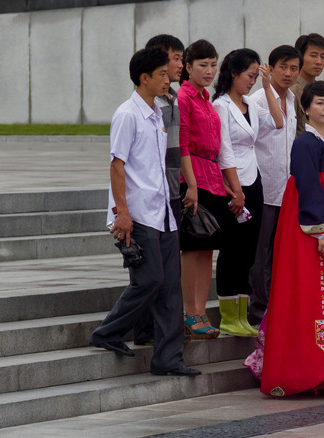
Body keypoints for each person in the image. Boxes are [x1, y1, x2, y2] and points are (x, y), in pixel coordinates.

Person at [245, 81, 324, 396]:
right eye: (319, 103)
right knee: (314, 295)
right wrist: (323, 232)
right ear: (306, 107)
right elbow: (308, 189)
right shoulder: (306, 143)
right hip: (313, 233)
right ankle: (309, 370)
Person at [89, 47, 199, 377]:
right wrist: (122, 213)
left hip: (163, 211)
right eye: (163, 74)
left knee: (170, 289)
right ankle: (107, 331)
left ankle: (168, 359)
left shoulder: (157, 114)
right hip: (138, 215)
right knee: (150, 280)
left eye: (169, 74)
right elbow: (117, 166)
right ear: (145, 78)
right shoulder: (128, 114)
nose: (169, 79)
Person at [211, 48, 284, 336]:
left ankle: (242, 316)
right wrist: (236, 191)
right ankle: (229, 316)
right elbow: (224, 151)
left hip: (255, 180)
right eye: (250, 76)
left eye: (256, 76)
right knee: (232, 250)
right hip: (233, 184)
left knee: (248, 252)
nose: (252, 81)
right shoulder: (221, 105)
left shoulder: (250, 105)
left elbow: (277, 122)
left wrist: (267, 87)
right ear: (233, 73)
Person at [132, 34, 198, 347]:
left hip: (171, 188)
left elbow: (180, 145)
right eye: (173, 58)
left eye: (179, 58)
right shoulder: (146, 102)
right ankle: (143, 329)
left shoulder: (171, 99)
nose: (178, 65)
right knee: (149, 267)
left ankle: (157, 331)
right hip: (150, 193)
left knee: (165, 269)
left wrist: (191, 183)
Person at [248, 45, 302, 326]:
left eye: (294, 68)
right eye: (283, 67)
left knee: (282, 253)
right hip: (264, 188)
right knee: (261, 254)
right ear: (269, 67)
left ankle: (278, 307)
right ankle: (258, 311)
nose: (288, 73)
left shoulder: (293, 100)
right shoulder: (257, 100)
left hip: (287, 191)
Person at [177, 39, 224, 339]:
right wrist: (191, 185)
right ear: (188, 67)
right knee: (192, 247)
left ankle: (202, 310)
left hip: (211, 176)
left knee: (207, 248)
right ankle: (188, 311)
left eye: (213, 65)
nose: (209, 71)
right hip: (192, 177)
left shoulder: (206, 98)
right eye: (202, 65)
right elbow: (181, 144)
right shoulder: (183, 97)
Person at [290, 33, 324, 136]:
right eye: (313, 56)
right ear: (300, 57)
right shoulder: (292, 91)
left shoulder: (323, 90)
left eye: (323, 57)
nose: (319, 61)